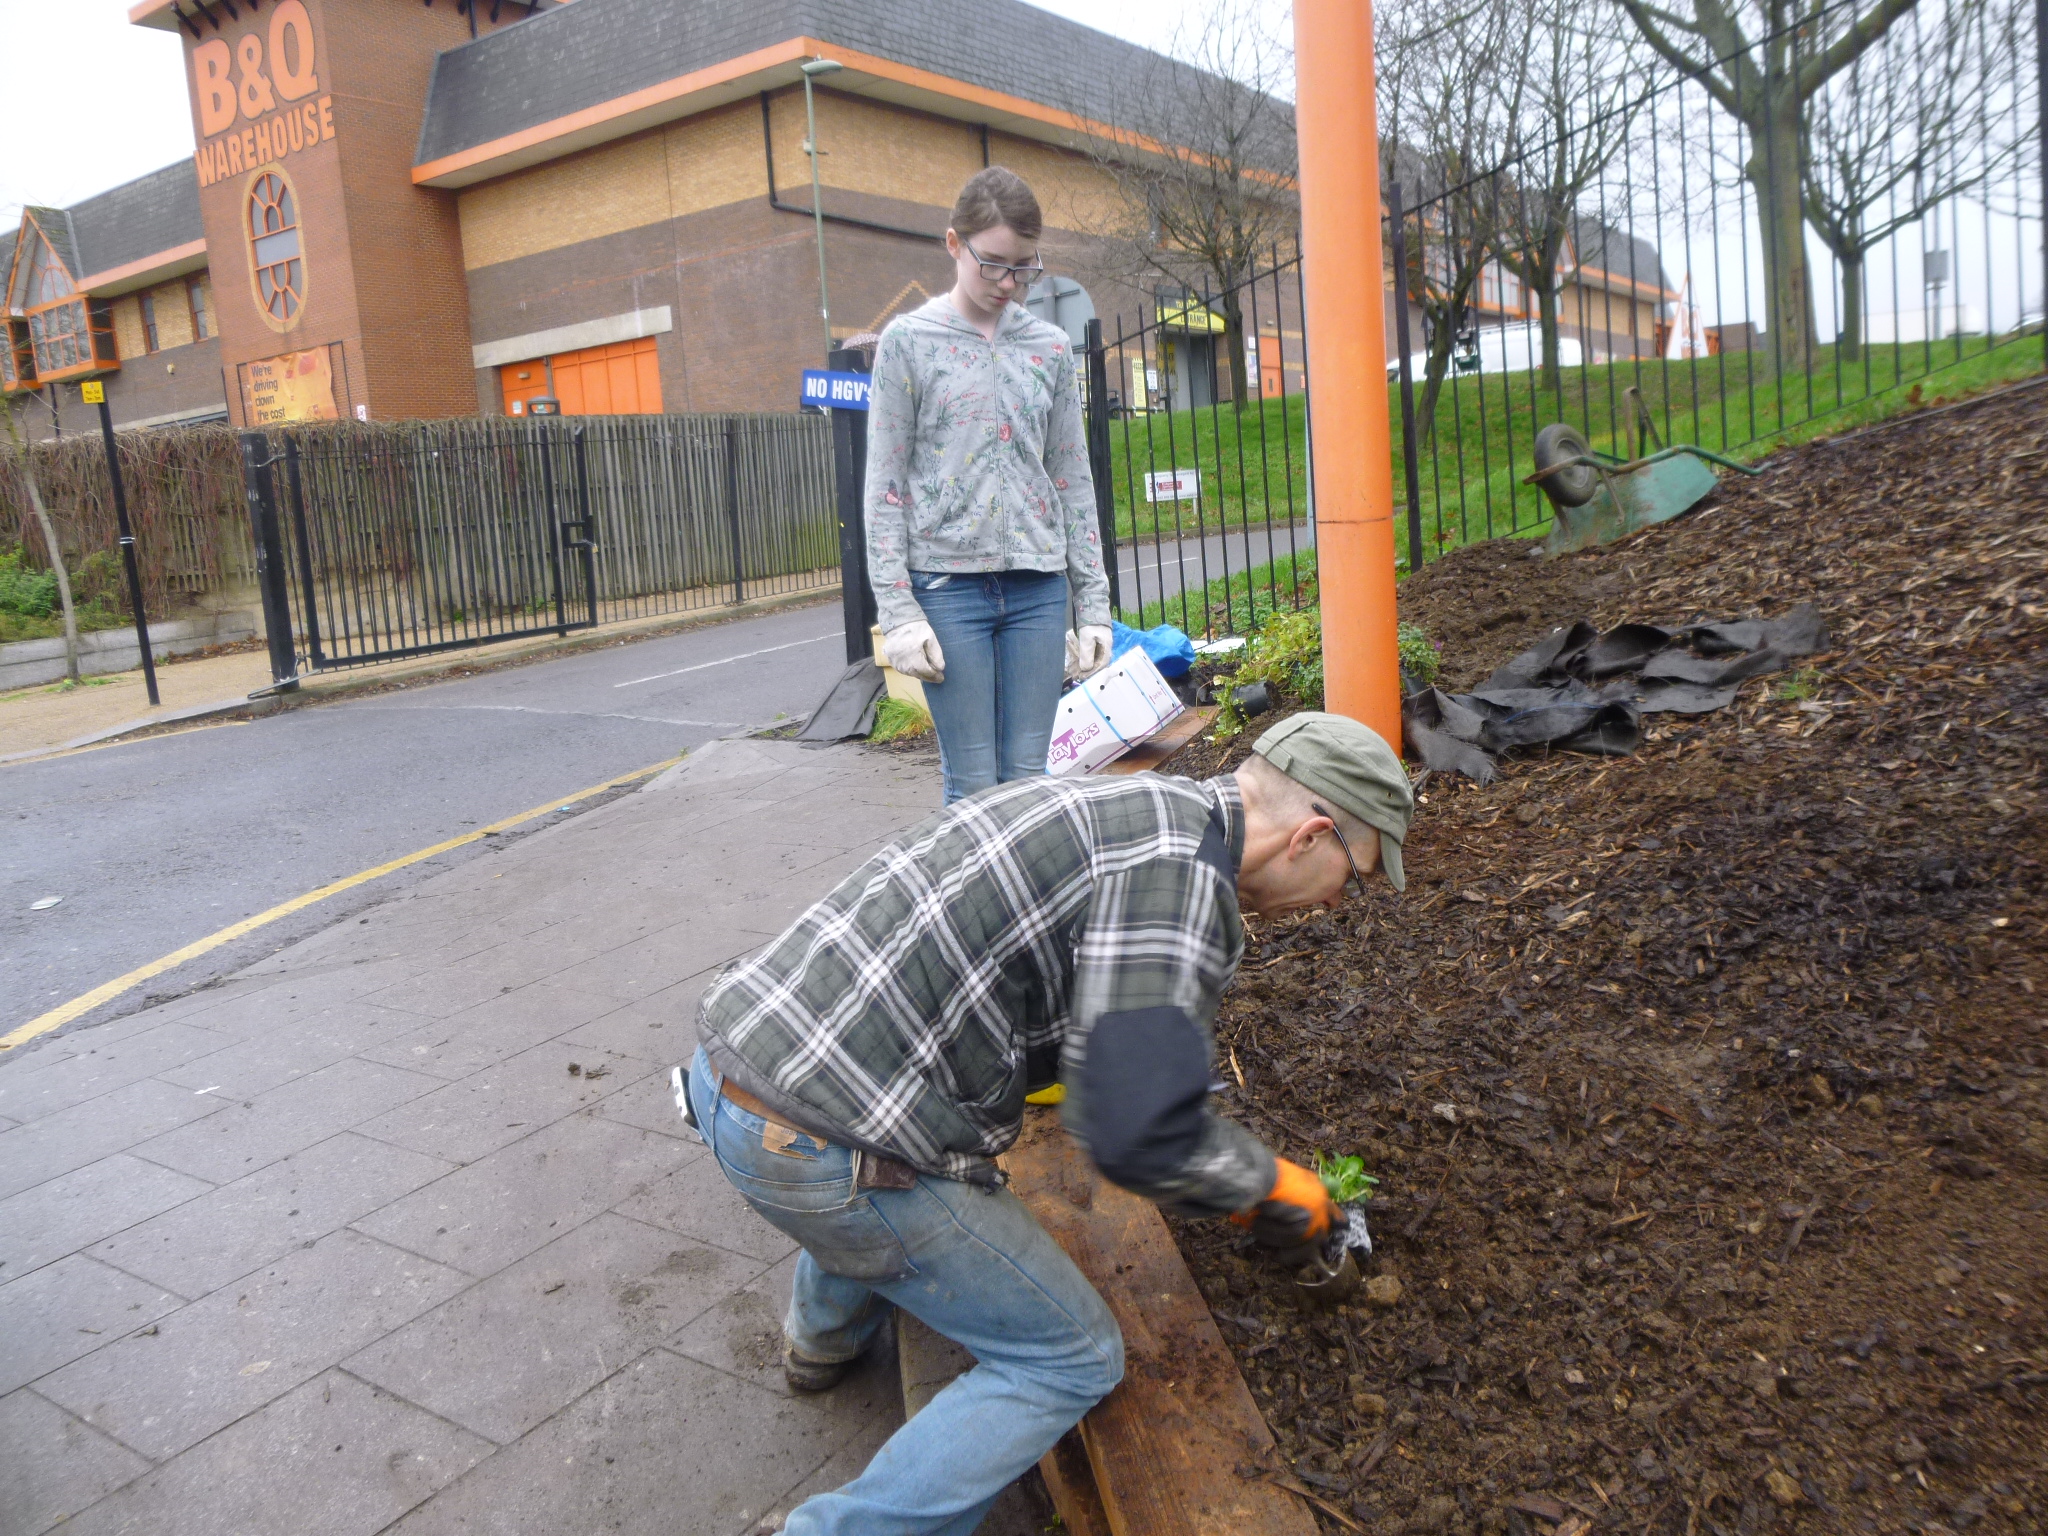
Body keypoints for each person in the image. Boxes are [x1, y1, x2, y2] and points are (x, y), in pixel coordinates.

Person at [680, 712, 1416, 1535]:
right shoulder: (1180, 887)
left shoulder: (1143, 809)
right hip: (819, 1152)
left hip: (733, 1064)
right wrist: (1279, 1191)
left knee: (881, 1127)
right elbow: (1136, 1136)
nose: (1334, 904)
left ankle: (819, 1343)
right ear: (1310, 837)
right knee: (1070, 1356)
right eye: (1352, 876)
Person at [864, 167, 1114, 803]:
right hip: (947, 590)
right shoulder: (908, 343)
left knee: (1029, 782)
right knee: (974, 786)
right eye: (995, 265)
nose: (1009, 283)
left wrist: (1093, 605)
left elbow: (1072, 478)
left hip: (1038, 589)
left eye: (1025, 268)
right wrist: (898, 613)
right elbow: (885, 488)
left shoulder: (1049, 348)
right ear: (954, 244)